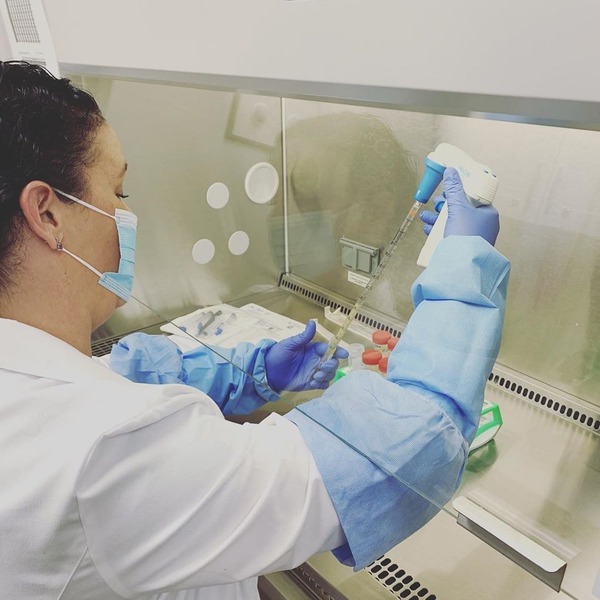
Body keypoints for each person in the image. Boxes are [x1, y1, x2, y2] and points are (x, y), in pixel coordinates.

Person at [0, 61, 509, 600]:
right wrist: (465, 265)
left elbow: (117, 374)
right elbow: (397, 452)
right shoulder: (104, 453)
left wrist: (249, 371)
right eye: (119, 192)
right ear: (47, 214)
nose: (126, 213)